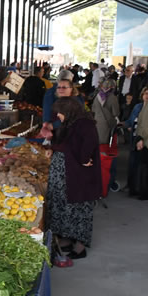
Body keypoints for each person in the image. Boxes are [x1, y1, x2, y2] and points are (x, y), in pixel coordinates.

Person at [47, 97, 100, 265]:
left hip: (76, 175)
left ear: (69, 111)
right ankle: (68, 238)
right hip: (65, 173)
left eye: (60, 113)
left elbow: (89, 143)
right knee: (63, 206)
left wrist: (84, 159)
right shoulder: (71, 122)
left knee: (78, 208)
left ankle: (80, 246)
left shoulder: (85, 123)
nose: (59, 116)